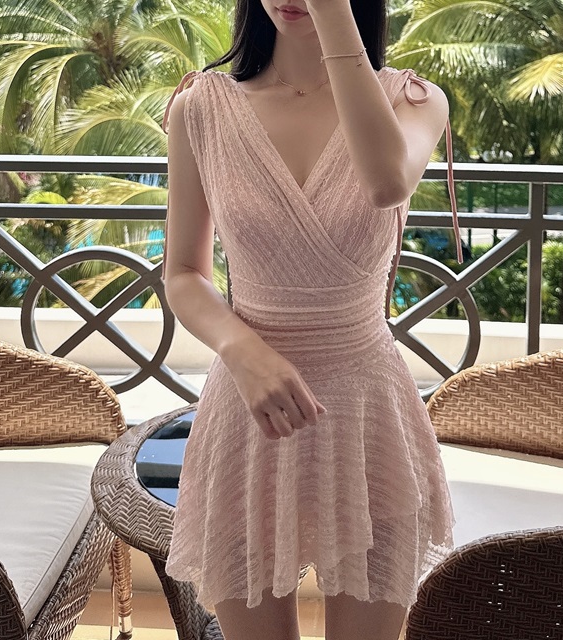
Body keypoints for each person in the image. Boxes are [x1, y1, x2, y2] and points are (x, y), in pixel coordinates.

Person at [161, 1, 460, 639]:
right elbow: (183, 273)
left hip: (368, 418)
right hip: (249, 414)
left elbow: (385, 183)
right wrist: (243, 350)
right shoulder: (200, 108)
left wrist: (332, 15)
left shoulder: (412, 100)